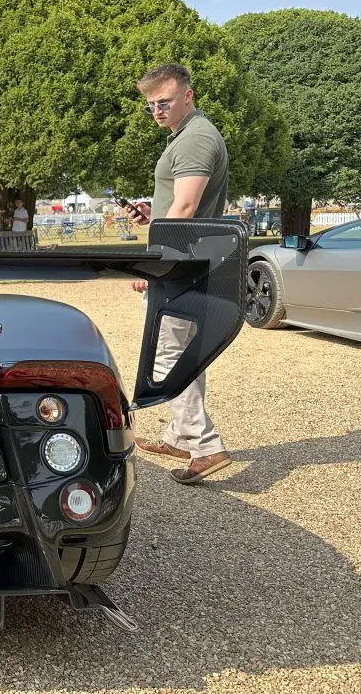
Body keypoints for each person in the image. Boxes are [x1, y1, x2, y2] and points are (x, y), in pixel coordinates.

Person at [128, 62, 232, 484]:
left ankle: (205, 445)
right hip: (193, 258)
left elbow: (187, 209)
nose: (156, 110)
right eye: (151, 104)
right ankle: (178, 434)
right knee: (183, 349)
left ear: (188, 95)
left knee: (170, 354)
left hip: (182, 266)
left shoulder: (195, 140)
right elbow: (183, 205)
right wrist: (155, 217)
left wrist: (155, 261)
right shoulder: (189, 136)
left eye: (164, 102)